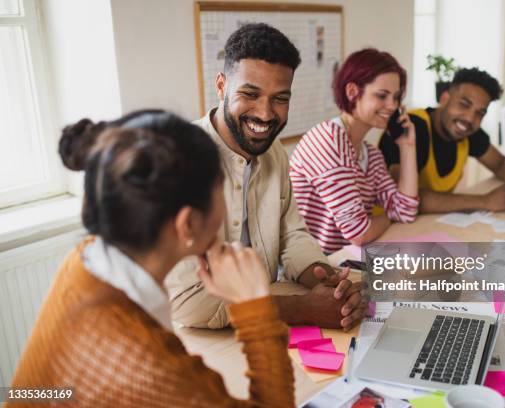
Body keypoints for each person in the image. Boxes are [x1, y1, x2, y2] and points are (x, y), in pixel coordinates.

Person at [9, 110, 295, 407]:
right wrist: (255, 310)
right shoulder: (147, 364)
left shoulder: (86, 259)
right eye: (220, 190)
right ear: (187, 224)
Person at [165, 23, 366, 330]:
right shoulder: (175, 161)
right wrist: (303, 308)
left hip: (267, 328)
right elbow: (190, 304)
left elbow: (292, 235)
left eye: (280, 98)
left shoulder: (273, 153)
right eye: (250, 93)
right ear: (221, 86)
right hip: (196, 342)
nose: (265, 113)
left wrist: (326, 281)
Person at [378, 67, 505, 213]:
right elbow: (406, 198)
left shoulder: (468, 131)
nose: (469, 118)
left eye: (479, 113)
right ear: (444, 98)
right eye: (464, 104)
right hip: (384, 233)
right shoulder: (411, 128)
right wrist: (484, 201)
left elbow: (500, 164)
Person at [289, 48, 419, 253]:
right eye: (382, 96)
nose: (392, 106)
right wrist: (388, 216)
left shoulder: (371, 155)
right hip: (307, 268)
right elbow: (359, 234)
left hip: (343, 265)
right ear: (352, 92)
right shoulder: (328, 140)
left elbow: (406, 211)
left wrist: (407, 146)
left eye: (396, 97)